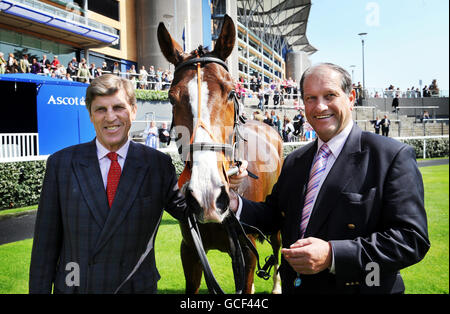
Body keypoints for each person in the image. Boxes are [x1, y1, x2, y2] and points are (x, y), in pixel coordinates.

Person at [229, 63, 429, 294]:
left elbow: (410, 240)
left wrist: (332, 255)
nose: (320, 106)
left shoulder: (391, 156)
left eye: (330, 95)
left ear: (351, 98)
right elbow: (273, 216)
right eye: (310, 98)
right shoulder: (295, 161)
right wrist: (233, 201)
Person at [29, 74, 190, 294]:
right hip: (76, 287)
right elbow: (44, 248)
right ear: (90, 115)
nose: (110, 117)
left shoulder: (158, 165)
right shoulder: (61, 164)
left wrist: (221, 179)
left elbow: (191, 213)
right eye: (101, 109)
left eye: (118, 107)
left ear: (133, 111)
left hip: (135, 289)